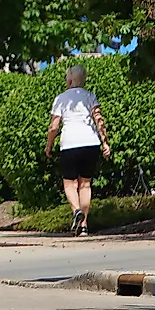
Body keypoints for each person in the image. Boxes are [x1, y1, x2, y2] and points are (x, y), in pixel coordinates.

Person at [46, 62, 110, 235]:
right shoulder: (90, 96)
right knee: (85, 184)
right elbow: (99, 119)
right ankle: (83, 226)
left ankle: (76, 212)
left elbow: (54, 126)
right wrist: (105, 142)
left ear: (69, 80)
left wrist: (48, 146)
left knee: (69, 184)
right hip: (90, 142)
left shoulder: (61, 99)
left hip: (69, 143)